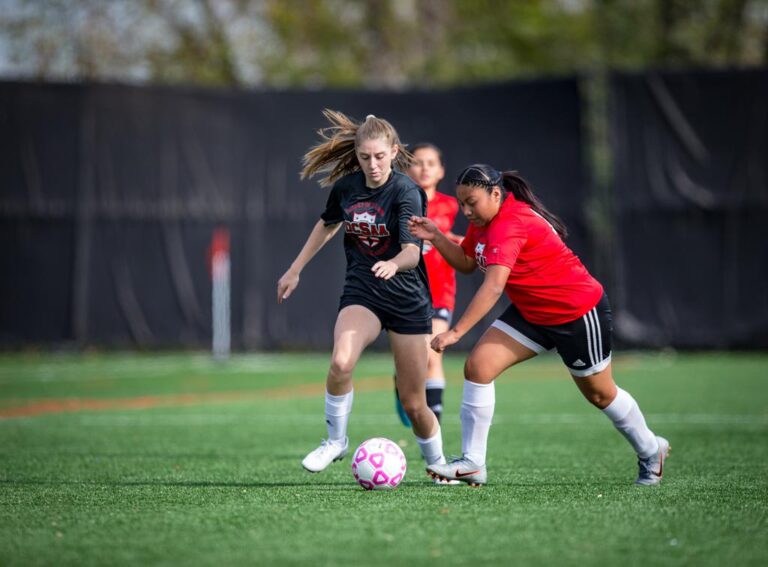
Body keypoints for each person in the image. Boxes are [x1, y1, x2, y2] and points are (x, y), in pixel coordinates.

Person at [408, 164, 670, 487]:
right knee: (478, 367)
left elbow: (493, 287)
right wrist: (436, 234)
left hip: (576, 312)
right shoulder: (485, 220)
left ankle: (650, 450)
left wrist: (455, 332)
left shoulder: (509, 223)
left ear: (495, 194)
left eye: (471, 202)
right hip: (533, 313)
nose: (465, 210)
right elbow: (465, 261)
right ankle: (473, 463)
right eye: (461, 203)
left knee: (600, 394)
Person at [277, 109, 447, 476]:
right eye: (365, 157)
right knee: (340, 362)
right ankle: (335, 441)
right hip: (363, 292)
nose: (373, 164)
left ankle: (438, 464)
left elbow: (412, 251)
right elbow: (327, 224)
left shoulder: (407, 192)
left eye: (380, 156)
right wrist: (295, 269)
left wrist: (394, 264)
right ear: (356, 156)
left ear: (394, 151)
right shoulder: (347, 188)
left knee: (415, 403)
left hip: (406, 299)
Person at [394, 143, 462, 428]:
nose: (424, 168)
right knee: (412, 359)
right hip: (406, 291)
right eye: (418, 162)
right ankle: (402, 381)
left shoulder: (452, 204)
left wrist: (455, 241)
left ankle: (434, 430)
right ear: (408, 168)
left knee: (433, 353)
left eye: (430, 163)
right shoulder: (400, 200)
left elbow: (450, 235)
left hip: (440, 292)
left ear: (441, 170)